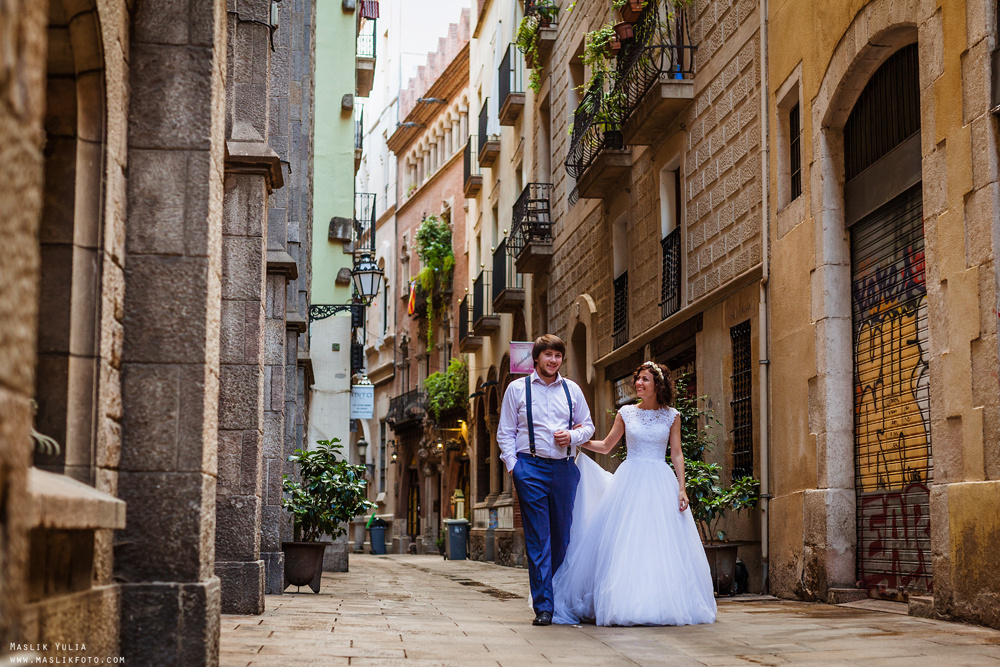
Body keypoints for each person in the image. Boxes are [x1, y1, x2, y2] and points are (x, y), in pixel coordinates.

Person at [552, 361, 717, 627]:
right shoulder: (626, 413)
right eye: (637, 378)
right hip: (630, 480)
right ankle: (623, 600)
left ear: (658, 385)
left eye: (645, 379)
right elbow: (606, 446)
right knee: (627, 540)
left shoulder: (672, 415)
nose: (638, 383)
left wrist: (682, 487)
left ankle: (661, 602)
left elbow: (676, 453)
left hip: (661, 480)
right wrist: (574, 438)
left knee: (660, 543)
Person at [497, 334, 595, 626]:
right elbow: (505, 432)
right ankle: (544, 606)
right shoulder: (517, 389)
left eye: (558, 356)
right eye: (548, 355)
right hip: (531, 468)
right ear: (536, 358)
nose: (553, 361)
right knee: (539, 539)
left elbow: (587, 426)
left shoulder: (573, 390)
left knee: (562, 537)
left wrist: (573, 436)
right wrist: (515, 467)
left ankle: (558, 596)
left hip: (565, 468)